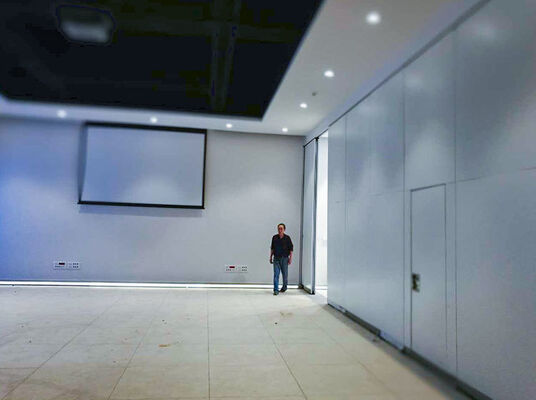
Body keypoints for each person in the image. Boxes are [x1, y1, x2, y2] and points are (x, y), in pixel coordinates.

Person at [270, 223, 293, 295]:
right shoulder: (274, 237)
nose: (280, 230)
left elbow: (291, 249)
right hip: (276, 258)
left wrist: (290, 258)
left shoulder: (287, 238)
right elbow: (272, 248)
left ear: (284, 229)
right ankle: (276, 290)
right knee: (276, 274)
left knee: (285, 275)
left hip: (285, 258)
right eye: (279, 229)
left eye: (281, 229)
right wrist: (270, 257)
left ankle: (284, 287)